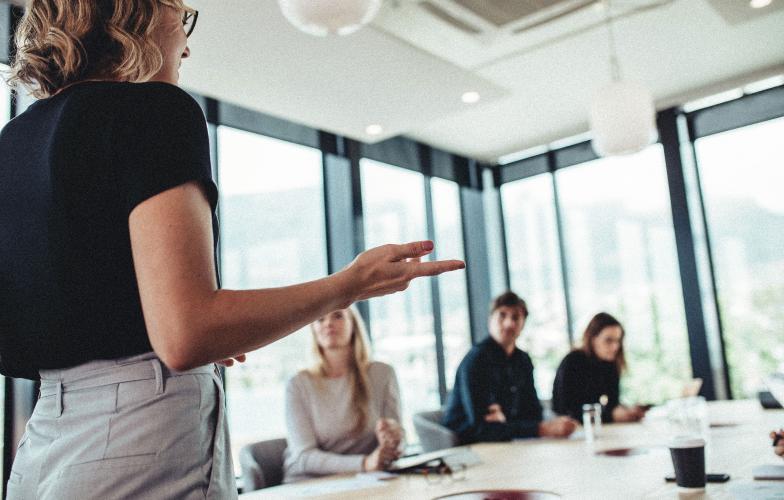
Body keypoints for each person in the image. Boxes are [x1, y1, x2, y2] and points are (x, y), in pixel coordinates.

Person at [0, 2, 464, 498]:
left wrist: (212, 322)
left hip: (43, 440)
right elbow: (187, 335)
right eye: (183, 16)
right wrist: (349, 285)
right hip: (139, 433)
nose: (187, 41)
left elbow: (60, 315)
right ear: (135, 13)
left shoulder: (13, 140)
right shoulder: (156, 109)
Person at [283, 307, 403, 483]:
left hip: (368, 479)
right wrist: (364, 463)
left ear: (354, 324)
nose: (328, 323)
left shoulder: (383, 373)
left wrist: (395, 442)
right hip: (310, 482)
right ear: (313, 329)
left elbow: (398, 438)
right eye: (320, 319)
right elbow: (304, 457)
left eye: (338, 316)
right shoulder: (298, 384)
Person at [442, 291, 577, 444]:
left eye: (515, 317)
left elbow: (533, 413)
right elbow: (481, 427)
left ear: (523, 324)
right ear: (490, 320)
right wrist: (541, 428)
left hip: (507, 442)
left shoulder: (523, 360)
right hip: (466, 445)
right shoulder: (476, 361)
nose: (508, 323)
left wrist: (506, 421)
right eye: (502, 315)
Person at [552, 312, 646, 424]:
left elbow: (612, 403)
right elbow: (565, 410)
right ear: (592, 339)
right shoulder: (572, 362)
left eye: (618, 340)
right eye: (609, 340)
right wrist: (611, 415)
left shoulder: (610, 364)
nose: (615, 347)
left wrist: (626, 412)